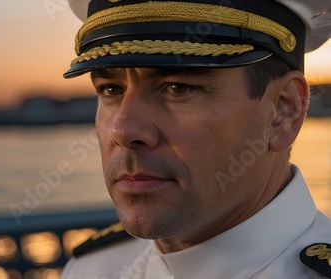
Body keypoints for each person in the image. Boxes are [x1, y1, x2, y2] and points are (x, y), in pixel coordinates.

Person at [61, 0, 331, 278]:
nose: (124, 131)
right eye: (110, 89)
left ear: (283, 112)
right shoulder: (89, 269)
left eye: (178, 88)